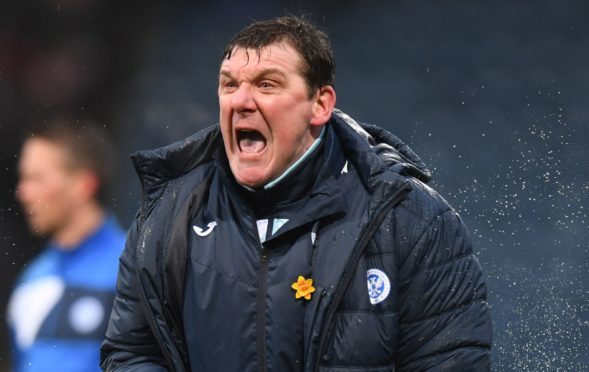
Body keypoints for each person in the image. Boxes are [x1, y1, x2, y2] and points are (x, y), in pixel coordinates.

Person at [101, 16, 493, 371]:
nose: (241, 101)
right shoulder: (169, 215)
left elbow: (450, 361)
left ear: (320, 104)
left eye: (267, 84)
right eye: (229, 84)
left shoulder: (409, 219)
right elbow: (132, 352)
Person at [7, 118, 125, 372]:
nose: (22, 192)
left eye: (36, 178)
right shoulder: (31, 279)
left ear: (83, 185)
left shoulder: (133, 266)